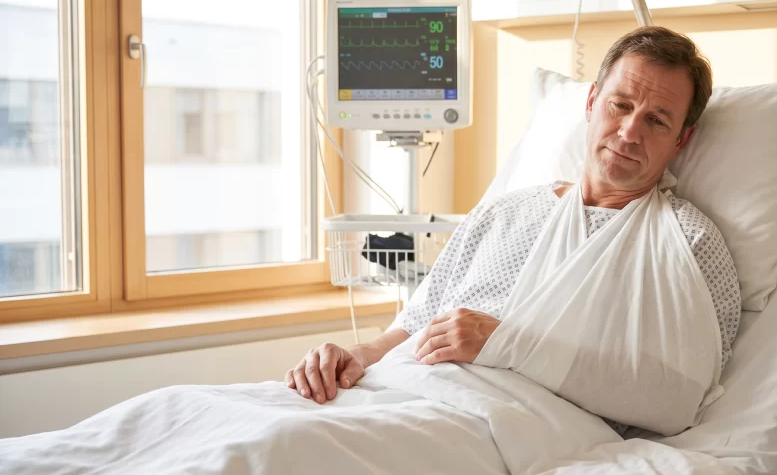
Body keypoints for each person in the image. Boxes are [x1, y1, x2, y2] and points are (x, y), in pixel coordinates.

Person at [286, 26, 741, 437]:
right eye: (619, 105)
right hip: (392, 395)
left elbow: (677, 399)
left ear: (681, 139)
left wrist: (508, 344)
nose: (628, 132)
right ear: (590, 103)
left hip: (495, 429)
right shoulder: (501, 213)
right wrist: (349, 356)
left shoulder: (689, 243)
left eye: (656, 120)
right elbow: (408, 332)